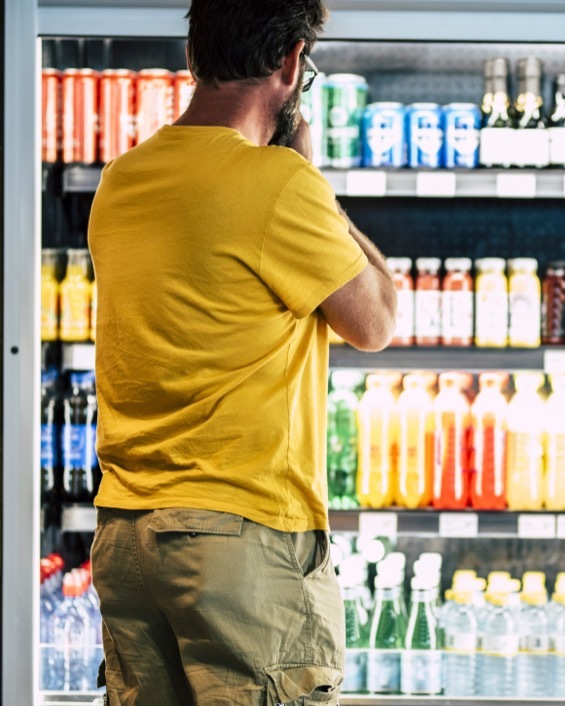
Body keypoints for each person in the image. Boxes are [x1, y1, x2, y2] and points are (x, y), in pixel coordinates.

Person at [86, 0, 396, 703]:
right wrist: (314, 185)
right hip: (239, 541)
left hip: (127, 538)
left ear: (194, 56)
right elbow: (375, 320)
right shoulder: (281, 183)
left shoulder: (121, 178)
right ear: (291, 61)